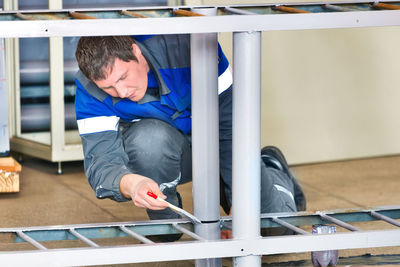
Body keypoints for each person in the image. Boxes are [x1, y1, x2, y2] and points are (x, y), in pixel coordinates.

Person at [74, 35, 306, 240]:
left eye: (123, 77)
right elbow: (101, 161)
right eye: (109, 88)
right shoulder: (89, 88)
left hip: (220, 143)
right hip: (175, 153)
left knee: (273, 233)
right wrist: (133, 185)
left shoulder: (191, 48)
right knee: (147, 143)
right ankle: (168, 223)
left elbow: (229, 128)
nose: (122, 92)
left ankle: (270, 166)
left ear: (136, 51)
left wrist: (240, 208)